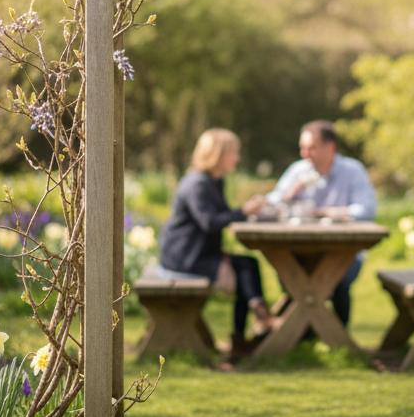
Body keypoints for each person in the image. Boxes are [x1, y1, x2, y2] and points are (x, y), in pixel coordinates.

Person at [159, 128, 273, 360]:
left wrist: (248, 212)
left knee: (249, 264)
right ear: (217, 154)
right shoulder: (197, 184)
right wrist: (244, 211)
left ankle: (247, 332)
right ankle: (253, 325)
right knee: (245, 270)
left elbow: (222, 215)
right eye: (233, 152)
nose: (237, 158)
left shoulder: (214, 181)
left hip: (202, 254)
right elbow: (209, 222)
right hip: (185, 258)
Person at [268, 120, 377, 325]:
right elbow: (271, 203)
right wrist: (291, 193)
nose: (304, 154)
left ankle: (338, 336)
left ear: (330, 147)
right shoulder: (298, 171)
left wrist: (330, 213)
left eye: (311, 148)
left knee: (338, 281)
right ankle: (301, 331)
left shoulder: (353, 171)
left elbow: (367, 210)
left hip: (344, 250)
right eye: (302, 148)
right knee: (289, 274)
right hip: (300, 250)